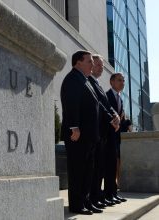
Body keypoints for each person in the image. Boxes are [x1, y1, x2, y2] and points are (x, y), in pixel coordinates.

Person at [60, 50, 99, 215]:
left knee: (87, 171)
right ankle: (76, 205)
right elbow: (71, 103)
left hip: (88, 136)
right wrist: (74, 127)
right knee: (77, 171)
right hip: (77, 135)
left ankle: (86, 201)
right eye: (89, 61)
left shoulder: (86, 80)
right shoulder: (72, 79)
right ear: (78, 62)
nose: (93, 65)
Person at [88, 55, 120, 208]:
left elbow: (106, 105)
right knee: (95, 169)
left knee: (100, 168)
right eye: (98, 65)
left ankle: (99, 197)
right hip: (97, 132)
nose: (101, 67)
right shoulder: (88, 82)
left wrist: (115, 116)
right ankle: (95, 197)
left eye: (102, 65)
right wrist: (112, 118)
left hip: (104, 135)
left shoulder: (97, 84)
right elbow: (100, 105)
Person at [104, 73, 127, 204]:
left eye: (123, 80)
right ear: (111, 82)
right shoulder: (107, 96)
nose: (122, 82)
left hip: (116, 138)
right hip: (107, 138)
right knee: (108, 167)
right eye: (119, 80)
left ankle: (113, 193)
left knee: (114, 166)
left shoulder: (120, 98)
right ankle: (107, 194)